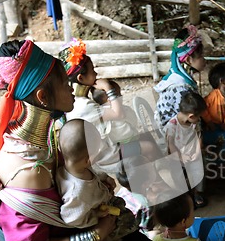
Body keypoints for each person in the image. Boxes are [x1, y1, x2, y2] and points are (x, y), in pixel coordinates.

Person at [0, 39, 167, 241]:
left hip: (73, 226)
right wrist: (96, 234)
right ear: (43, 96)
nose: (70, 86)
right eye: (62, 82)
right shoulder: (28, 171)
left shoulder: (48, 137)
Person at [59, 38, 161, 174]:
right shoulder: (83, 106)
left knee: (142, 137)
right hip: (106, 155)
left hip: (105, 147)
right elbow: (119, 114)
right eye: (92, 70)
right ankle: (154, 181)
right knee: (149, 147)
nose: (95, 73)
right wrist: (108, 88)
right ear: (81, 79)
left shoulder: (78, 99)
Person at [56, 119, 139, 241]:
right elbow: (72, 218)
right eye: (97, 152)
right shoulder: (76, 191)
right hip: (99, 220)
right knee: (128, 225)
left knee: (122, 205)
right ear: (87, 160)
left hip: (105, 201)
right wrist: (96, 214)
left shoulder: (76, 167)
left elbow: (93, 172)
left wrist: (104, 177)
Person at [154, 25, 206, 129]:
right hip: (175, 134)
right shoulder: (180, 87)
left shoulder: (180, 77)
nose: (204, 60)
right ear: (188, 60)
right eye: (201, 56)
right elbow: (188, 119)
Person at [164, 92, 207, 208]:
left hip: (192, 152)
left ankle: (197, 193)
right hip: (177, 154)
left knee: (198, 171)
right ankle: (183, 195)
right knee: (178, 176)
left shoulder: (195, 123)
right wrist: (181, 157)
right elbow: (171, 145)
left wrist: (197, 152)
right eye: (198, 116)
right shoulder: (172, 126)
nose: (199, 119)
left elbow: (199, 137)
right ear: (191, 116)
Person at [202, 62, 225, 159]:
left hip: (221, 127)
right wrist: (209, 122)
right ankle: (216, 161)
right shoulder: (212, 96)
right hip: (210, 128)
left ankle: (221, 160)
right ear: (223, 81)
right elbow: (203, 109)